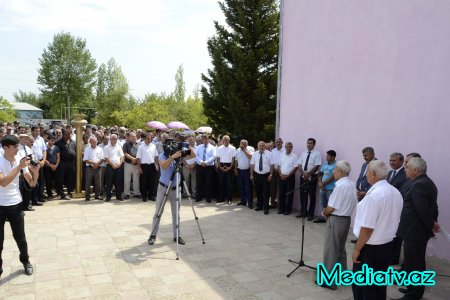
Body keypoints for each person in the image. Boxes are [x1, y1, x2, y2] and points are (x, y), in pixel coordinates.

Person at [352, 160, 403, 300]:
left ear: (373, 174)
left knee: (364, 286)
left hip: (370, 247)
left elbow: (367, 228)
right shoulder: (395, 192)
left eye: (367, 172)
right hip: (387, 245)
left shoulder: (374, 195)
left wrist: (357, 249)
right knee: (378, 283)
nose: (366, 175)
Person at [395, 157, 439, 300]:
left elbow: (423, 211)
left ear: (415, 171)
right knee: (415, 262)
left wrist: (431, 225)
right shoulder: (426, 182)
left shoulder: (419, 185)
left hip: (415, 231)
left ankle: (413, 295)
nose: (405, 170)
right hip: (415, 231)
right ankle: (412, 290)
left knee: (415, 264)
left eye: (407, 168)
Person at [0, 135, 40, 277]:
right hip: (0, 205)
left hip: (16, 204)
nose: (18, 149)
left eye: (18, 146)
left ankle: (25, 261)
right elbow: (3, 183)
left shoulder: (19, 160)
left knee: (21, 238)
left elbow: (32, 183)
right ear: (6, 148)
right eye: (15, 146)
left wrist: (35, 174)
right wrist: (19, 167)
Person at [317, 160, 357, 290]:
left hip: (336, 219)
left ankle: (329, 280)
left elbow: (331, 207)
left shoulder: (340, 186)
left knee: (331, 249)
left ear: (340, 171)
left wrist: (324, 212)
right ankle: (342, 275)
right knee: (340, 248)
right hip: (346, 219)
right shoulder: (351, 183)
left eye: (334, 170)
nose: (333, 172)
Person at [147, 142, 196, 246]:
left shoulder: (180, 154)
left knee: (176, 214)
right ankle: (153, 235)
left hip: (176, 188)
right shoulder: (163, 155)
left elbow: (193, 155)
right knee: (158, 212)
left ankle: (177, 235)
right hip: (163, 187)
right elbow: (164, 166)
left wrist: (187, 145)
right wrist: (173, 157)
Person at [297, 138, 322, 221]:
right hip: (303, 177)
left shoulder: (317, 154)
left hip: (312, 178)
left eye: (310, 143)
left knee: (312, 196)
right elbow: (299, 165)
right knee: (302, 195)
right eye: (307, 143)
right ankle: (303, 212)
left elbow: (317, 165)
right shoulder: (303, 153)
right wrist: (304, 174)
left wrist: (308, 174)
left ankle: (311, 214)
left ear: (314, 144)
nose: (308, 145)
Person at [250, 141, 273, 215]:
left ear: (265, 146)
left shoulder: (269, 154)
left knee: (266, 192)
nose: (261, 147)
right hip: (257, 175)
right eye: (260, 145)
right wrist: (251, 175)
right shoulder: (255, 154)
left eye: (263, 145)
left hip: (266, 175)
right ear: (258, 146)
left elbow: (271, 165)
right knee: (258, 191)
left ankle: (266, 208)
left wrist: (271, 174)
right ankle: (259, 206)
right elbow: (252, 165)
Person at [314, 150, 337, 223]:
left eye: (328, 156)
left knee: (330, 204)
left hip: (330, 188)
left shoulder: (336, 165)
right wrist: (320, 183)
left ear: (333, 157)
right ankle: (322, 217)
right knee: (322, 203)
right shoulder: (325, 164)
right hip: (322, 188)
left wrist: (322, 184)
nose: (326, 157)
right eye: (326, 155)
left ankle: (329, 220)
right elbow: (320, 174)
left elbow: (333, 177)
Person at [137, 132, 160, 202]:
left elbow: (156, 156)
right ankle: (144, 196)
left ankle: (151, 195)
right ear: (144, 139)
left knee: (152, 181)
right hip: (144, 166)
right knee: (144, 182)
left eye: (150, 138)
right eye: (148, 138)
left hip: (152, 165)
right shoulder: (141, 147)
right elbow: (138, 158)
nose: (149, 140)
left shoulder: (153, 146)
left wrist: (156, 164)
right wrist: (139, 167)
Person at [55, 129, 76, 200]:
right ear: (63, 135)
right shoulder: (58, 142)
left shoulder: (73, 142)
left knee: (70, 178)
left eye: (69, 134)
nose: (68, 136)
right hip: (62, 163)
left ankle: (70, 192)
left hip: (71, 163)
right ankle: (61, 194)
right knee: (60, 179)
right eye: (66, 134)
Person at [277, 142, 297, 215]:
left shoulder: (294, 156)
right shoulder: (282, 155)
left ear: (292, 147)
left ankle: (288, 210)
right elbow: (279, 166)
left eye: (290, 147)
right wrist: (280, 174)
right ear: (285, 147)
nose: (288, 148)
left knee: (289, 194)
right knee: (281, 193)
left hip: (290, 177)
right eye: (287, 147)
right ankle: (281, 209)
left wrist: (288, 175)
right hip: (281, 177)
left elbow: (295, 167)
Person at [103, 134, 124, 201]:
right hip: (110, 166)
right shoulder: (106, 147)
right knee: (109, 182)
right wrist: (112, 165)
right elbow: (106, 158)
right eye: (114, 139)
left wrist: (120, 164)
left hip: (118, 166)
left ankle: (118, 196)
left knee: (118, 182)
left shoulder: (119, 146)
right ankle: (108, 196)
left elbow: (122, 156)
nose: (115, 140)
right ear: (110, 139)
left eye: (116, 139)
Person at [195, 135, 216, 203]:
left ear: (208, 139)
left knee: (208, 182)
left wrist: (206, 162)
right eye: (203, 139)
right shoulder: (198, 147)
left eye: (206, 139)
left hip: (209, 167)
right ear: (202, 140)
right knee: (199, 182)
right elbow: (196, 156)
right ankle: (199, 196)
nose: (205, 140)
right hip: (200, 166)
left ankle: (208, 197)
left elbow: (213, 157)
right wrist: (201, 162)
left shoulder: (212, 147)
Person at [83, 137, 104, 201]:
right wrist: (93, 163)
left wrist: (97, 164)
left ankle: (97, 195)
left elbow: (102, 158)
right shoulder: (87, 149)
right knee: (88, 183)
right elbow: (85, 159)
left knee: (98, 183)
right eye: (93, 142)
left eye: (95, 142)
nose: (95, 143)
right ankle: (87, 197)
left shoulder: (100, 149)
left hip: (98, 167)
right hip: (89, 168)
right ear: (90, 142)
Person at [216, 135, 236, 204]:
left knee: (229, 183)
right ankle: (221, 198)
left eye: (227, 140)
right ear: (223, 141)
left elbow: (233, 159)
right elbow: (218, 158)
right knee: (221, 183)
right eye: (225, 140)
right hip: (221, 165)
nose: (226, 141)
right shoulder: (219, 148)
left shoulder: (233, 148)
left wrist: (230, 167)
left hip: (229, 165)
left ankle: (229, 199)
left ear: (229, 140)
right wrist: (220, 167)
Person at [234, 140, 254, 208]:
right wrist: (235, 169)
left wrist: (244, 150)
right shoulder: (237, 150)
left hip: (247, 171)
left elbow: (251, 157)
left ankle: (250, 203)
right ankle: (243, 201)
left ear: (247, 144)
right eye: (241, 144)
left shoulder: (250, 148)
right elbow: (236, 160)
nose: (242, 145)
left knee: (248, 188)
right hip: (240, 171)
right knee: (241, 187)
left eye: (244, 144)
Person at [122, 132, 141, 199]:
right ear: (129, 137)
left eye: (135, 136)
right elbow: (125, 153)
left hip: (136, 164)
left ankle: (136, 193)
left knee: (136, 179)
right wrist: (132, 158)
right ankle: (126, 193)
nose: (134, 138)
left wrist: (135, 160)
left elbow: (140, 153)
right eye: (132, 136)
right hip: (128, 164)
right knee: (127, 179)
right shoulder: (126, 144)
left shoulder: (139, 144)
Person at [270, 138, 285, 209]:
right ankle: (273, 203)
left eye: (279, 142)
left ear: (282, 142)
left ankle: (280, 204)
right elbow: (271, 162)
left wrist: (279, 171)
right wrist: (273, 170)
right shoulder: (272, 151)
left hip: (281, 173)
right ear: (275, 143)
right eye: (277, 142)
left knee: (280, 189)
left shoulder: (285, 151)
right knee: (272, 189)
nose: (278, 143)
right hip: (273, 172)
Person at [43, 134, 59, 199]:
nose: (53, 142)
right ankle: (49, 195)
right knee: (48, 181)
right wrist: (50, 165)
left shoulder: (56, 147)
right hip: (47, 167)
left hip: (55, 167)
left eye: (54, 140)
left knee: (57, 180)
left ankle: (58, 193)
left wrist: (56, 165)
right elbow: (44, 158)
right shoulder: (45, 148)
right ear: (48, 140)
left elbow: (58, 157)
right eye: (51, 140)